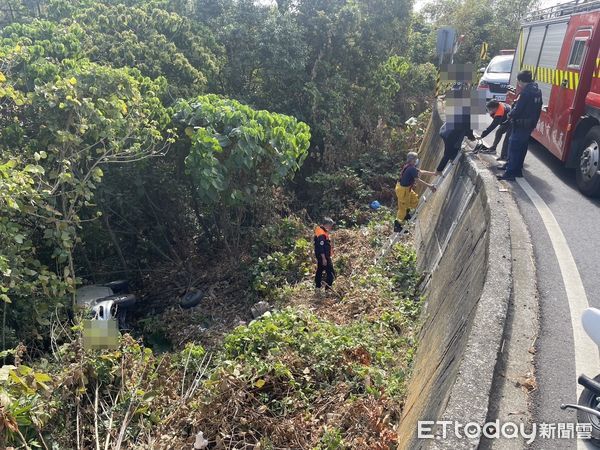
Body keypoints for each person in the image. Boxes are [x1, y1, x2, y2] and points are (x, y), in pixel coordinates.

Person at [497, 70, 542, 181]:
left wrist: (510, 114)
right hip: (529, 124)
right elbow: (538, 108)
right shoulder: (537, 91)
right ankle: (516, 169)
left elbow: (518, 109)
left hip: (521, 123)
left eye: (518, 81)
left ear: (521, 80)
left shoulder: (526, 93)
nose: (518, 83)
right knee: (522, 148)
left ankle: (510, 173)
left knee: (514, 147)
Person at [394, 152, 437, 232]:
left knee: (414, 199)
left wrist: (434, 173)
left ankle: (406, 214)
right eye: (416, 159)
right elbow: (418, 180)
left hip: (407, 189)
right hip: (402, 190)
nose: (417, 160)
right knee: (402, 208)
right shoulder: (411, 169)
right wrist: (430, 186)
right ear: (412, 160)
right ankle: (397, 225)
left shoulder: (411, 166)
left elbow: (421, 172)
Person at [314, 217, 335, 294]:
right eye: (330, 226)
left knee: (319, 270)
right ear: (326, 225)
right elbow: (321, 247)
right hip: (323, 256)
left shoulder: (321, 231)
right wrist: (324, 258)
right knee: (331, 273)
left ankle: (318, 287)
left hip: (321, 256)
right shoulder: (322, 234)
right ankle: (328, 290)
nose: (331, 227)